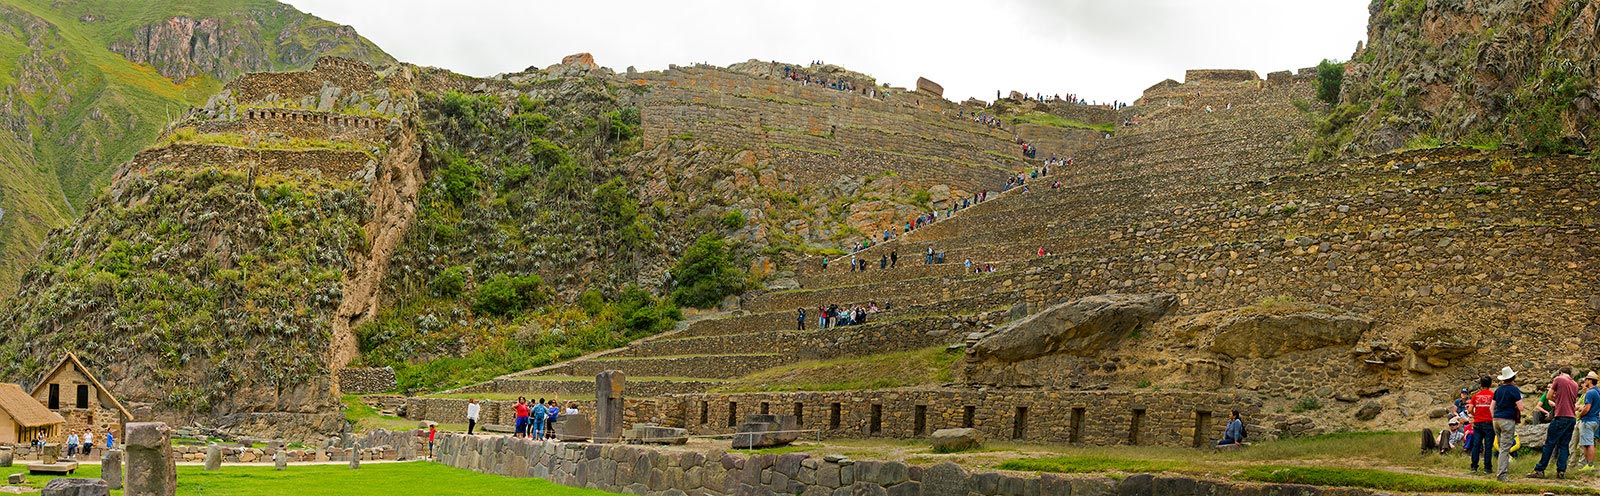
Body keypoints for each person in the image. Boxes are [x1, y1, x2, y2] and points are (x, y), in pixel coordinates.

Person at [1530, 367, 1580, 478]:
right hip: (1571, 417)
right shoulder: (1575, 384)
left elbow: (1548, 396)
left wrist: (1556, 396)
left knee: (1549, 443)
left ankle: (1540, 469)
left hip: (1561, 415)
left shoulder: (1559, 379)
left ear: (1561, 372)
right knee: (1564, 445)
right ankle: (1561, 471)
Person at [1492, 366, 1524, 481]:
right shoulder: (1514, 390)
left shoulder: (1498, 390)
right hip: (1507, 420)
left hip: (1496, 419)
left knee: (1501, 447)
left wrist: (1494, 417)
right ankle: (1502, 475)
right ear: (1513, 377)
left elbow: (1492, 406)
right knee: (1505, 448)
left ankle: (1501, 471)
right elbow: (1521, 407)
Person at [1469, 376, 1496, 474]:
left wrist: (1475, 416)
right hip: (1489, 423)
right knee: (1488, 446)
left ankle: (1474, 467)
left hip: (1478, 423)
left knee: (1476, 445)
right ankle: (1487, 468)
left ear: (1480, 385)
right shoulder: (1493, 395)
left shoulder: (1476, 396)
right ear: (1490, 385)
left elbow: (1470, 409)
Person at [1578, 371, 1600, 470]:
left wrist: (1580, 415)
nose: (1585, 381)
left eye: (1586, 379)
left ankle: (1590, 465)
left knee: (1588, 443)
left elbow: (1587, 408)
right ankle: (1588, 465)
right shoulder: (1598, 391)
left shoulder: (1590, 392)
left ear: (1590, 380)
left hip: (1588, 420)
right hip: (1595, 419)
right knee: (1587, 443)